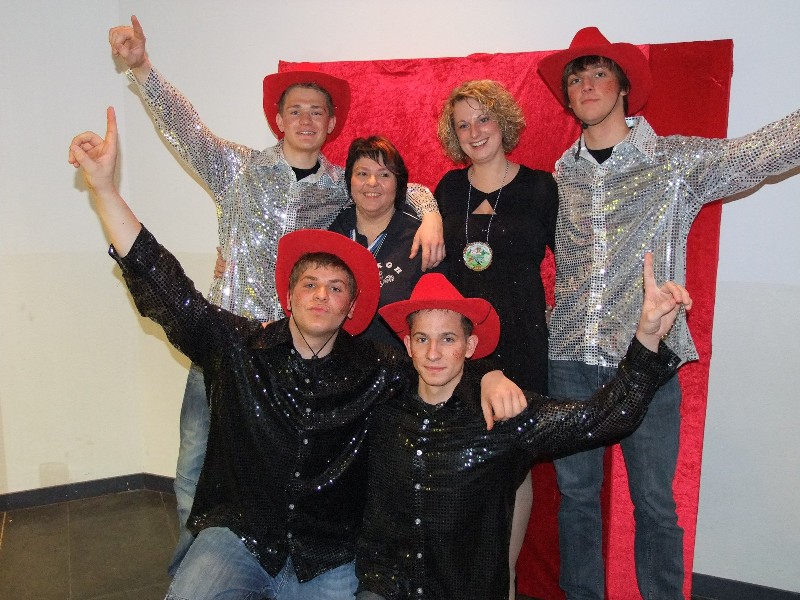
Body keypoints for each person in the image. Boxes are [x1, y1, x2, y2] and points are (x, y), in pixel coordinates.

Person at [68, 107, 521, 600]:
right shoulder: (242, 349)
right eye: (309, 284)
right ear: (287, 296)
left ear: (353, 307)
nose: (321, 295)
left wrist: (489, 376)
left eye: (336, 288)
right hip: (241, 539)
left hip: (329, 555)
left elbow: (439, 365)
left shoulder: (378, 370)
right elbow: (165, 285)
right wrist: (106, 191)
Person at [108, 15, 445, 572]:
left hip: (293, 358)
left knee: (282, 475)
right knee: (193, 464)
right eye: (296, 110)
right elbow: (187, 130)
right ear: (279, 118)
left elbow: (399, 186)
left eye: (317, 111)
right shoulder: (238, 170)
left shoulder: (341, 184)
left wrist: (430, 214)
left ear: (331, 123)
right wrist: (143, 68)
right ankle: (192, 571)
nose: (306, 119)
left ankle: (271, 568)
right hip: (226, 346)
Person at [537, 26, 800, 599]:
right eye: (576, 78)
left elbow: (755, 156)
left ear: (624, 88)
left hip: (648, 357)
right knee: (576, 499)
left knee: (654, 502)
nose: (587, 85)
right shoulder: (558, 178)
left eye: (599, 73)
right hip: (569, 360)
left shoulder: (673, 162)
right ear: (567, 96)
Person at [354, 265, 687, 600]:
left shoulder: (502, 415)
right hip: (386, 588)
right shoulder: (382, 403)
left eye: (448, 339)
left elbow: (603, 418)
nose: (433, 353)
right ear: (408, 344)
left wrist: (647, 339)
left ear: (469, 345)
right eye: (423, 339)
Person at [434, 79, 558, 597]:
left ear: (503, 122)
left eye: (483, 118)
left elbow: (578, 259)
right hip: (461, 347)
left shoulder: (541, 187)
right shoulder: (446, 189)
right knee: (462, 460)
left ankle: (502, 581)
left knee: (512, 464)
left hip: (522, 343)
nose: (474, 131)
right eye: (463, 124)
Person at [329, 136, 436, 346]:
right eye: (362, 173)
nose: (372, 182)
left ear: (398, 184)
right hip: (334, 359)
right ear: (349, 181)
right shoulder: (332, 232)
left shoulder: (421, 239)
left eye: (384, 174)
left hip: (398, 361)